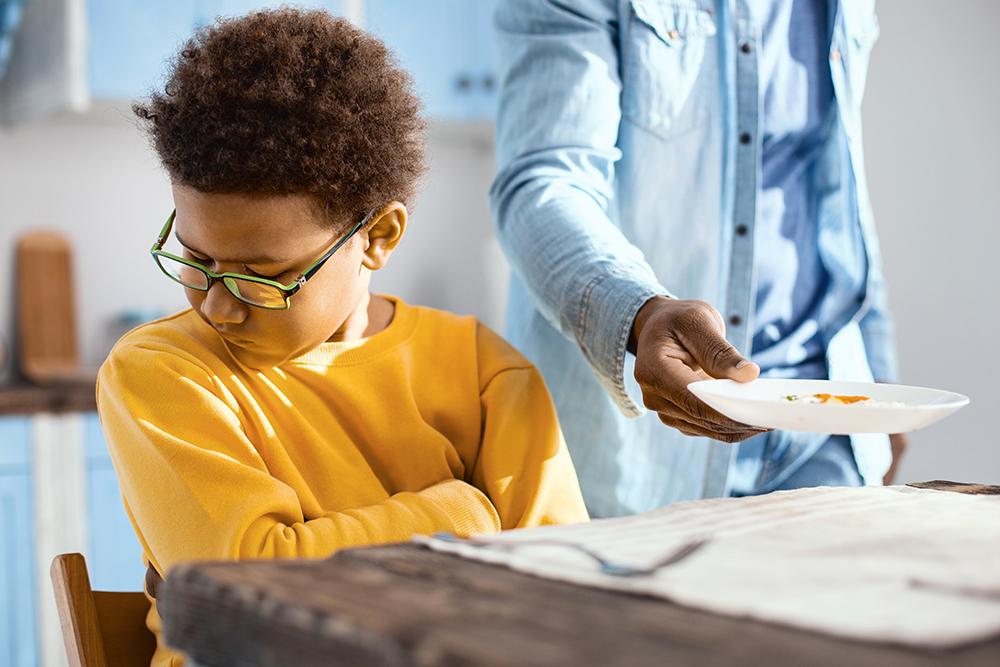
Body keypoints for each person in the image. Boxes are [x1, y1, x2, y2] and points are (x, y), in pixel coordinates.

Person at [97, 9, 587, 665]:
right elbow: (245, 595)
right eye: (196, 259)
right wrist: (463, 514)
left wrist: (314, 550)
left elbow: (559, 595)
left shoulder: (483, 371)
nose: (218, 306)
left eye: (262, 276)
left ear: (378, 237)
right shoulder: (161, 371)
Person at [490, 0, 906, 518]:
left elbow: (838, 186)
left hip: (824, 436)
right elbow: (543, 182)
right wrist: (641, 312)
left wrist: (880, 377)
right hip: (642, 447)